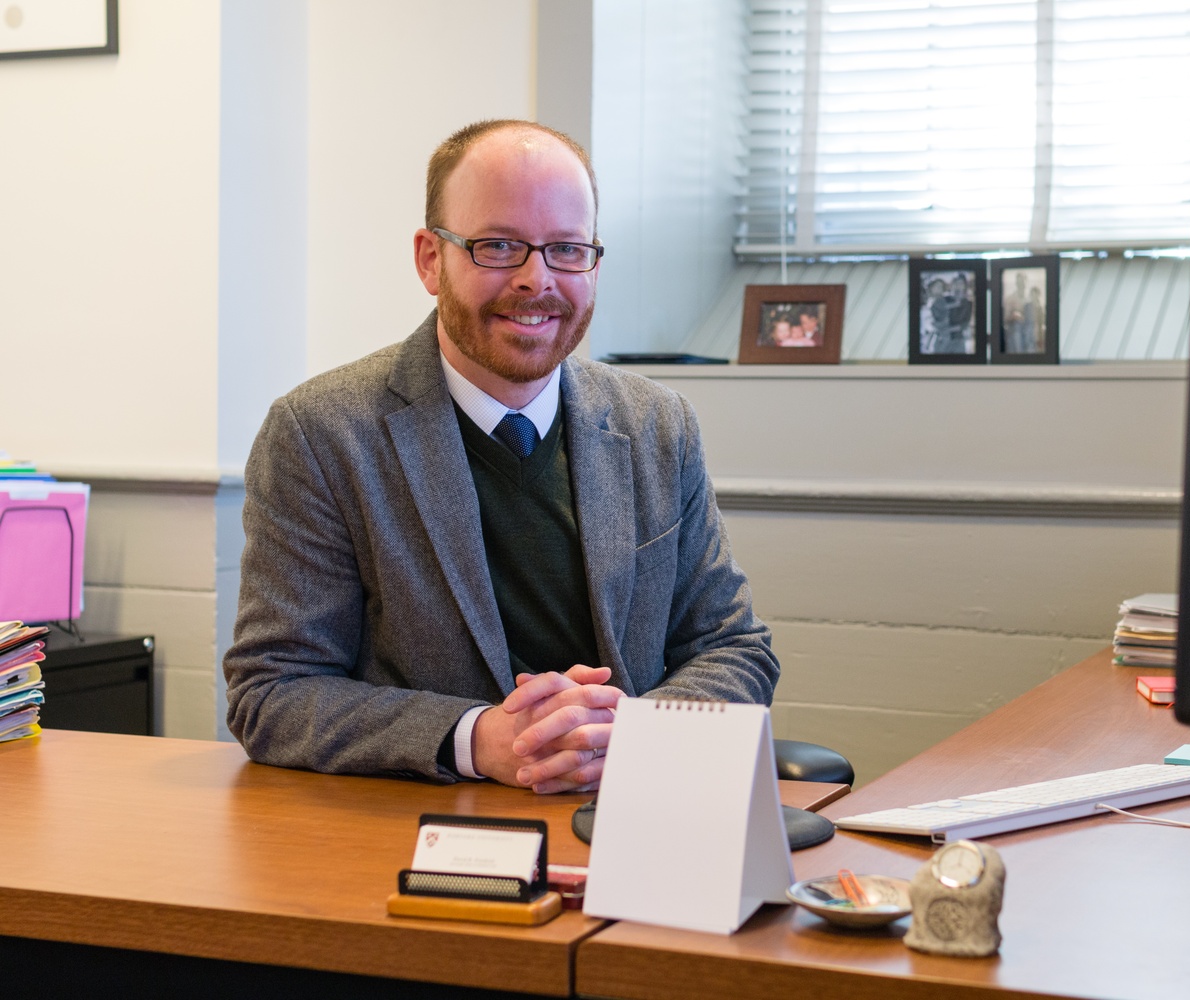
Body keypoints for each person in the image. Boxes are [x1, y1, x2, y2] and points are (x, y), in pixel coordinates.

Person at [223, 119, 779, 793]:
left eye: (566, 250)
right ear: (431, 259)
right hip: (426, 839)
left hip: (635, 817)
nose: (535, 279)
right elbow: (273, 693)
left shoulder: (657, 425)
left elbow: (734, 649)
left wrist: (629, 734)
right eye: (498, 246)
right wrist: (476, 738)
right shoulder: (320, 434)